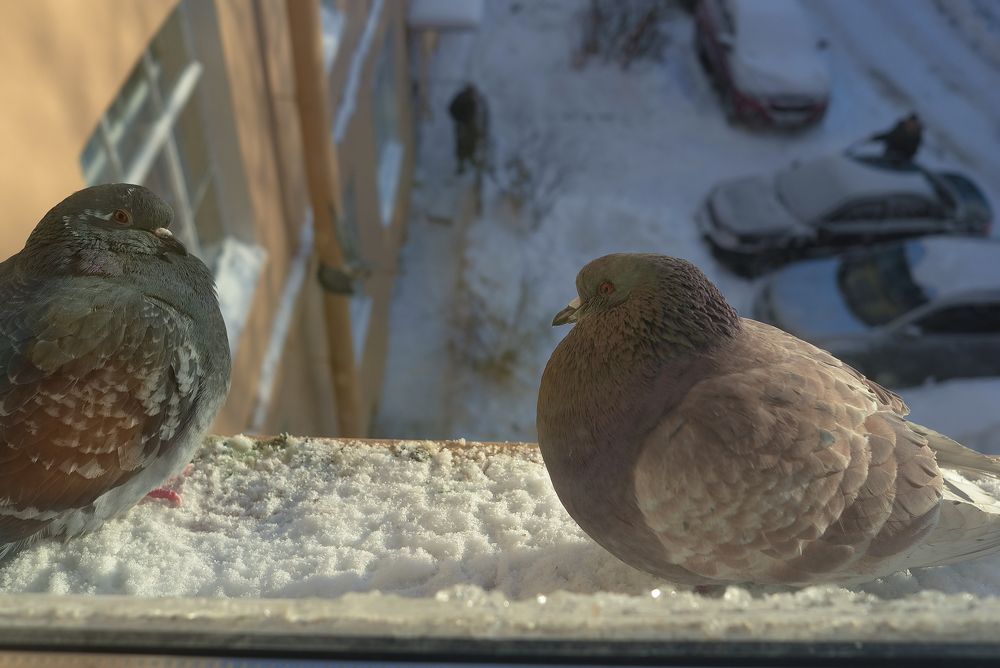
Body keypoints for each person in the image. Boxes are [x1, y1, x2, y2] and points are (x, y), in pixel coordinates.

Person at [448, 83, 489, 176]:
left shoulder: (471, 99)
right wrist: (459, 119)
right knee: (461, 144)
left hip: (470, 125)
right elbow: (451, 109)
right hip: (462, 124)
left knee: (472, 141)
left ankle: (470, 158)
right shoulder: (461, 99)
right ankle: (461, 165)